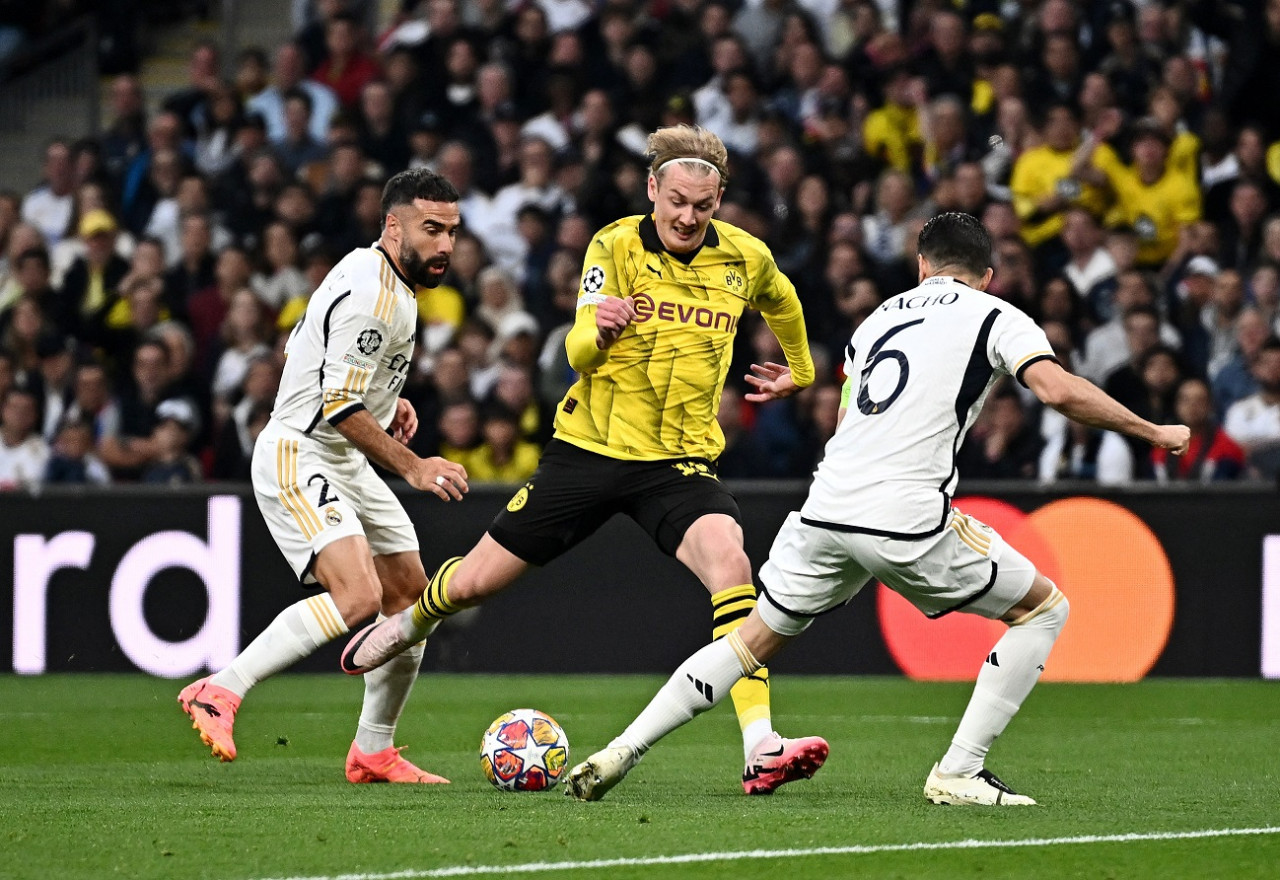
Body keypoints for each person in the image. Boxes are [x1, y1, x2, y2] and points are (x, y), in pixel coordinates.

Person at [563, 213, 1191, 805]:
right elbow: (1057, 389)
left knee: (749, 642)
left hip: (825, 507)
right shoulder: (998, 315)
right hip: (905, 516)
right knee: (1044, 610)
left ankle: (622, 749)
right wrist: (1154, 433)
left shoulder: (878, 319)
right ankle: (960, 771)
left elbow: (844, 418)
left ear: (921, 266)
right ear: (988, 275)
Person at [341, 124, 829, 795]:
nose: (688, 216)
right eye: (677, 200)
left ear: (720, 200)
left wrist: (799, 370)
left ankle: (759, 744)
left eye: (704, 205)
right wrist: (598, 331)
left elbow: (784, 299)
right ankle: (413, 618)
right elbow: (574, 352)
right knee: (476, 583)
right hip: (590, 452)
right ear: (653, 188)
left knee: (733, 564)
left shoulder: (745, 256)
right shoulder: (615, 245)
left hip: (677, 463)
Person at [176, 168, 470, 784]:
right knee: (359, 599)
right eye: (431, 229)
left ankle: (373, 751)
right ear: (394, 226)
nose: (445, 244)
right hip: (300, 451)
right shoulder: (372, 291)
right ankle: (220, 688)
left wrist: (391, 403)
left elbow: (310, 352)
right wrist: (413, 465)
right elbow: (336, 405)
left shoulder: (391, 280)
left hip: (346, 457)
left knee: (414, 604)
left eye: (452, 231)